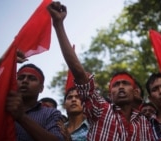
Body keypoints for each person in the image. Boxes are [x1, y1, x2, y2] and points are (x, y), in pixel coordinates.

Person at [47, 2, 154, 140]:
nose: (121, 87)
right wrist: (58, 25)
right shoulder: (101, 109)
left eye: (125, 84)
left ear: (135, 92)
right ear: (110, 94)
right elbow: (79, 74)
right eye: (116, 85)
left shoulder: (144, 123)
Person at [5, 63, 64, 141]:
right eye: (20, 78)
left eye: (32, 78)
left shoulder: (51, 113)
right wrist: (3, 61)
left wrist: (22, 117)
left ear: (41, 88)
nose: (25, 81)